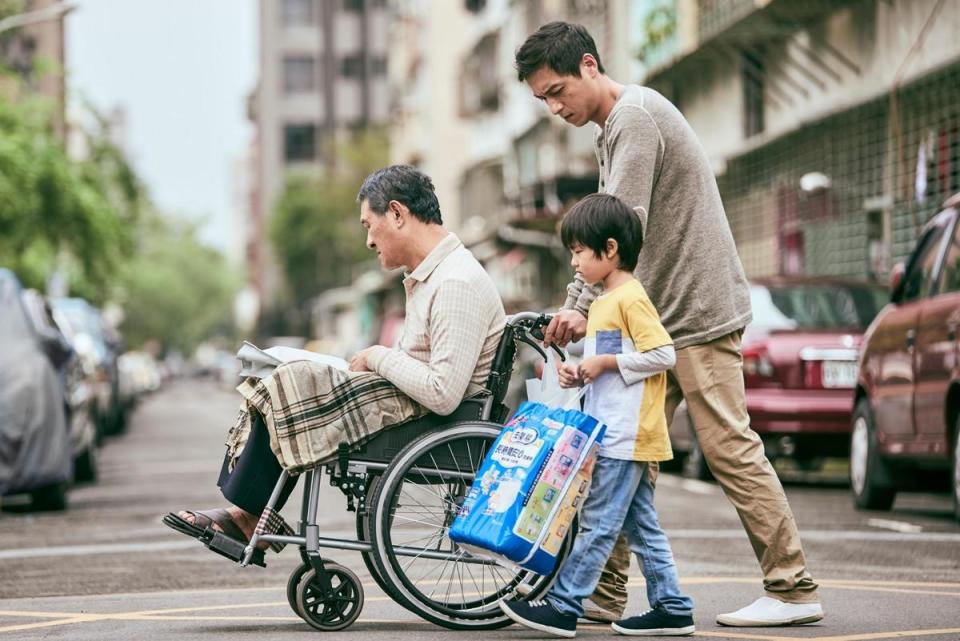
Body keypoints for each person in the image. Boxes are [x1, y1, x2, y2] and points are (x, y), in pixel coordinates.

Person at [513, 22, 823, 627]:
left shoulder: (634, 117)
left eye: (556, 91)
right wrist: (585, 305)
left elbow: (619, 230)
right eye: (542, 100)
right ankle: (602, 596)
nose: (554, 108)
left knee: (730, 449)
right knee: (625, 459)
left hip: (696, 316)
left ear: (588, 65)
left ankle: (792, 588)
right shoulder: (612, 129)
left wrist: (577, 304)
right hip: (655, 324)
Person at [164, 165, 506, 556]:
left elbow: (443, 393)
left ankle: (246, 514)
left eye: (368, 225)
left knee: (288, 385)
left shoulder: (455, 283)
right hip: (410, 407)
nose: (368, 241)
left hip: (434, 420)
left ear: (397, 214)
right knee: (276, 375)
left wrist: (378, 356)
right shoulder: (433, 277)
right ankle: (248, 512)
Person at [500, 193, 694, 638]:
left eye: (579, 252)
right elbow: (614, 361)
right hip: (613, 430)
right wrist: (581, 373)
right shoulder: (607, 301)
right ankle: (672, 605)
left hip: (629, 434)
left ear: (609, 250)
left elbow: (663, 353)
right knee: (639, 524)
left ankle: (564, 605)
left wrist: (603, 365)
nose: (574, 263)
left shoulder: (629, 298)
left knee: (599, 522)